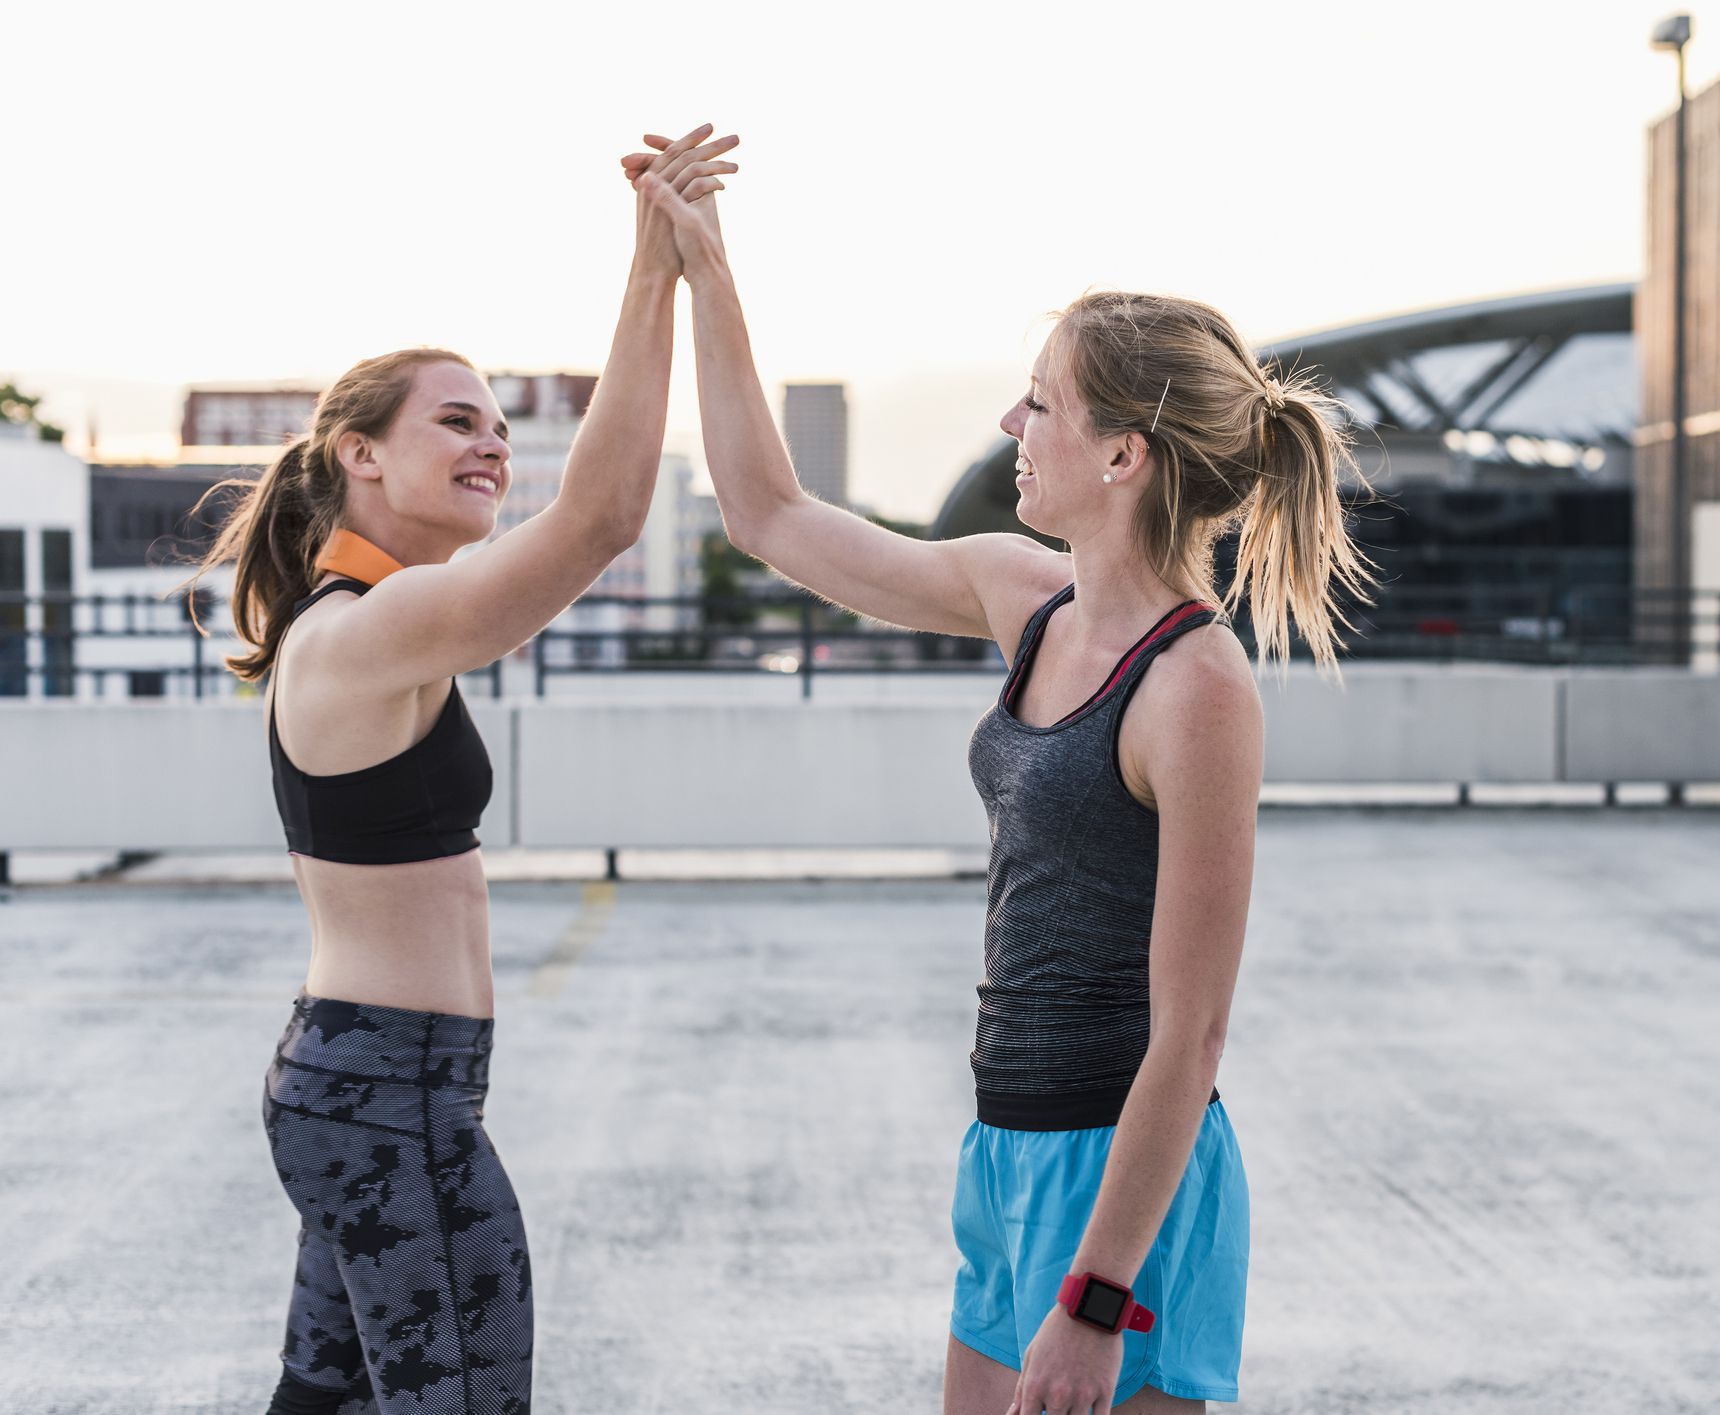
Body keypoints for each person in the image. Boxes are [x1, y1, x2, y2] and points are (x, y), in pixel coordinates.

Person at [627, 146, 1373, 1412]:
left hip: (1125, 1184)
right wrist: (705, 269)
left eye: (1038, 404)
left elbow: (1187, 1036)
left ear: (1124, 453)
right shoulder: (1022, 592)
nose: (1008, 427)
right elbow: (766, 514)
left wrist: (1094, 1297)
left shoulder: (1195, 689)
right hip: (1003, 1143)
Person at [190, 123, 738, 1415]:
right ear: (358, 455)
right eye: (456, 422)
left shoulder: (374, 624)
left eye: (499, 426)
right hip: (391, 1106)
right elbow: (602, 516)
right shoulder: (364, 630)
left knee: (319, 1401)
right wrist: (653, 264)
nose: (493, 445)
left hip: (368, 1091)